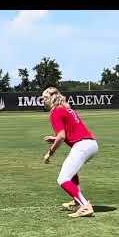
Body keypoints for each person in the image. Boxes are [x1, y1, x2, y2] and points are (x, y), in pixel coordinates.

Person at [42, 87, 98, 218]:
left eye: (44, 98)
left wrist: (50, 153)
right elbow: (69, 132)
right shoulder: (66, 108)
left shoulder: (55, 111)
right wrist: (55, 138)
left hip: (83, 145)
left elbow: (61, 136)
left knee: (63, 179)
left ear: (50, 98)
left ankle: (84, 206)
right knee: (71, 172)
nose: (43, 101)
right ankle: (76, 201)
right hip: (91, 144)